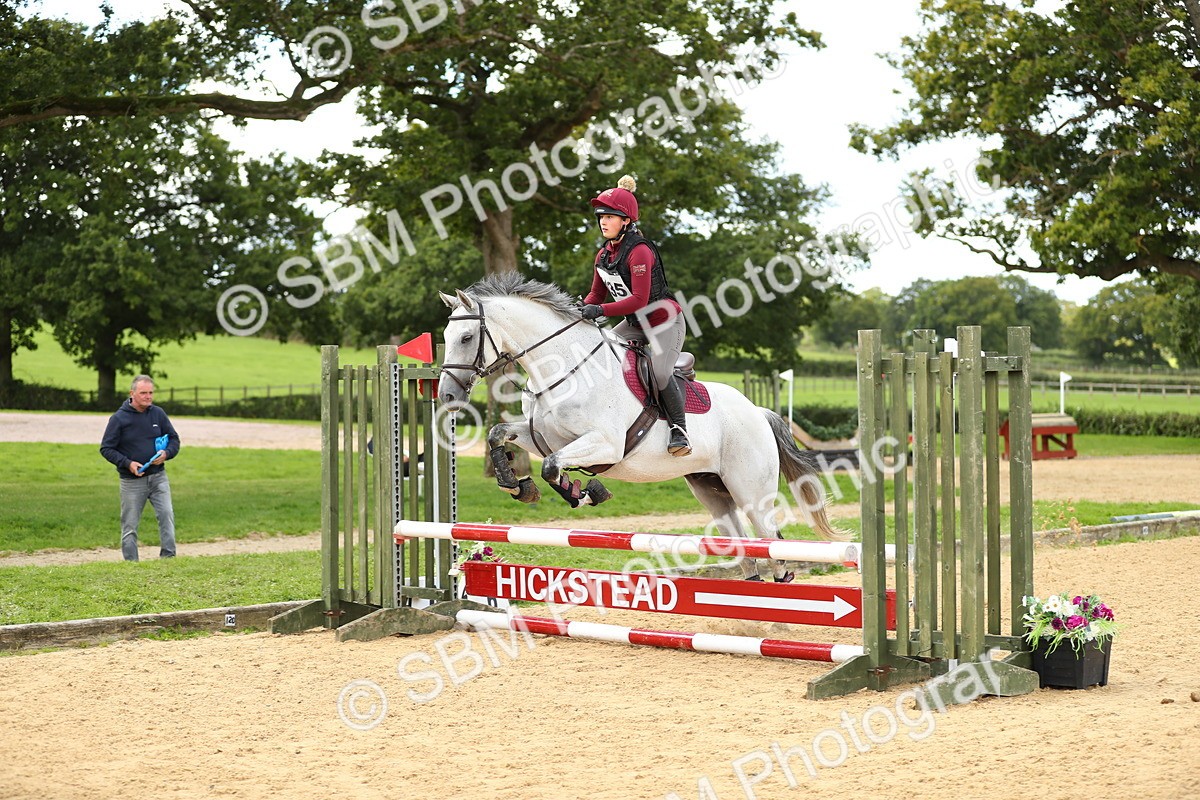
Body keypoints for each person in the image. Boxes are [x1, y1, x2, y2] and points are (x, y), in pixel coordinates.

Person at [580, 174, 691, 456]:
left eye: (610, 216)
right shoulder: (603, 255)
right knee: (600, 352)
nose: (603, 221)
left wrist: (600, 310)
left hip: (665, 321)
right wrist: (579, 311)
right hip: (636, 325)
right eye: (600, 216)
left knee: (660, 370)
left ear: (626, 221)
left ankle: (680, 430)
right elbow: (596, 296)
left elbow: (638, 300)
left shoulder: (639, 251)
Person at [100, 375, 181, 560]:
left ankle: (169, 557)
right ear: (132, 393)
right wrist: (128, 463)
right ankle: (131, 562)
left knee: (167, 514)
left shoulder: (158, 414)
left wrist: (167, 453)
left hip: (158, 476)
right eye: (143, 393)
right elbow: (106, 448)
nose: (148, 396)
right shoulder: (118, 419)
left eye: (151, 392)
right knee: (129, 523)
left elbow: (174, 439)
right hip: (131, 481)